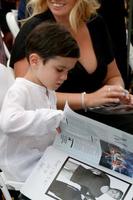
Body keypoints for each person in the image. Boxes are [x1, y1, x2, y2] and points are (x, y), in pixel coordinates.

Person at [9, 0, 133, 134]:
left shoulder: (95, 23)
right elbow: (30, 96)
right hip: (57, 124)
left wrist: (116, 93)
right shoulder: (33, 29)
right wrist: (88, 99)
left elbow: (113, 76)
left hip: (104, 114)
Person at [0, 22, 80, 183]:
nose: (64, 77)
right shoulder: (20, 89)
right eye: (59, 69)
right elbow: (8, 122)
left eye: (68, 71)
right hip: (22, 170)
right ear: (35, 61)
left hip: (45, 160)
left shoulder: (48, 90)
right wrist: (52, 117)